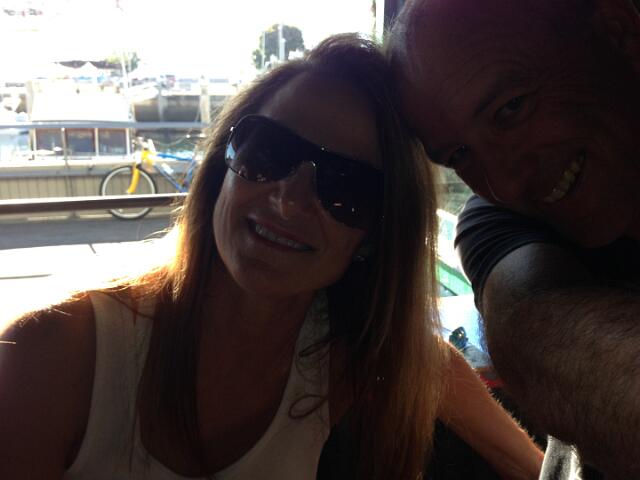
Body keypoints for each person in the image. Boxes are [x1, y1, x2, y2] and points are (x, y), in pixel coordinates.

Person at [0, 34, 541, 480]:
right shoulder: (54, 353)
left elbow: (530, 463)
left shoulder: (352, 356)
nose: (289, 199)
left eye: (346, 188)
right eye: (269, 151)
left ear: (377, 236)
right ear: (223, 165)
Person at [388, 0, 640, 478]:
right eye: (459, 154)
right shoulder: (495, 219)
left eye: (511, 109)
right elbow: (530, 327)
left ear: (619, 34)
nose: (504, 183)